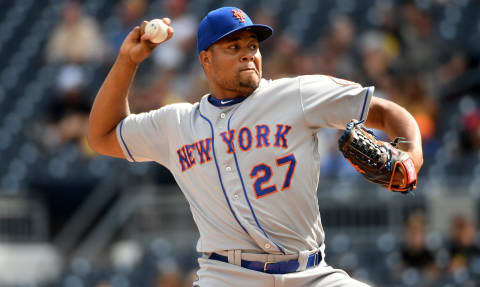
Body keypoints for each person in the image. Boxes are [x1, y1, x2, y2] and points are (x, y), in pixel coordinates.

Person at [88, 7, 423, 287]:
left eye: (252, 45)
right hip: (226, 276)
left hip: (311, 274)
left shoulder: (297, 95)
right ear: (206, 60)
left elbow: (389, 112)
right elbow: (102, 136)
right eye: (233, 47)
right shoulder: (176, 124)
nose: (248, 53)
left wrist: (412, 156)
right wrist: (127, 62)